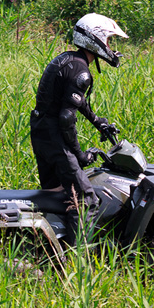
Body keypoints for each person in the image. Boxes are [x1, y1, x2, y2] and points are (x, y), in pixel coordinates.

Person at [30, 13, 129, 247]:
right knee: (85, 199)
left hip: (40, 132)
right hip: (55, 138)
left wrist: (97, 120)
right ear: (94, 38)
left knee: (56, 194)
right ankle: (78, 262)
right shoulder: (81, 71)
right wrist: (78, 154)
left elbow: (72, 100)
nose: (110, 48)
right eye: (108, 41)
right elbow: (66, 117)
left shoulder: (67, 59)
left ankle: (51, 247)